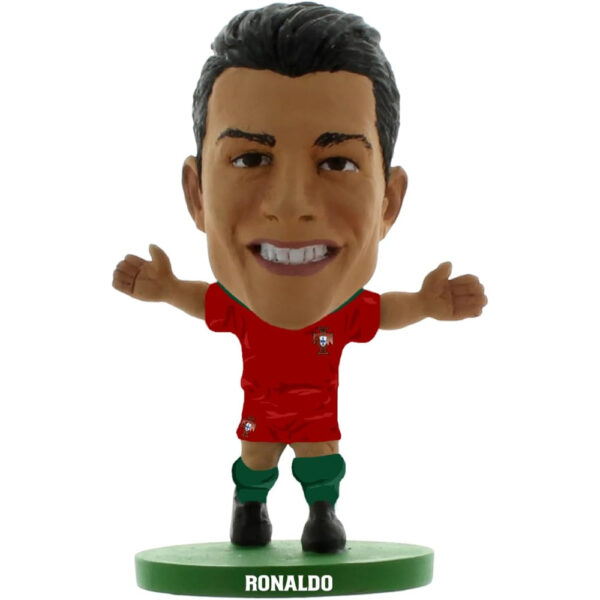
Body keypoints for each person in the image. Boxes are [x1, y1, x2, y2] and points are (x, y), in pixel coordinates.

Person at [112, 2, 487, 553]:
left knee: (321, 462)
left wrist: (427, 304)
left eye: (337, 163)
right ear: (197, 195)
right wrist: (166, 289)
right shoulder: (240, 308)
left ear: (388, 202)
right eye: (249, 160)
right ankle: (250, 506)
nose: (290, 206)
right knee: (255, 461)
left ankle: (322, 514)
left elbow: (387, 311)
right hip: (260, 413)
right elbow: (202, 300)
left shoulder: (345, 313)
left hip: (316, 415)